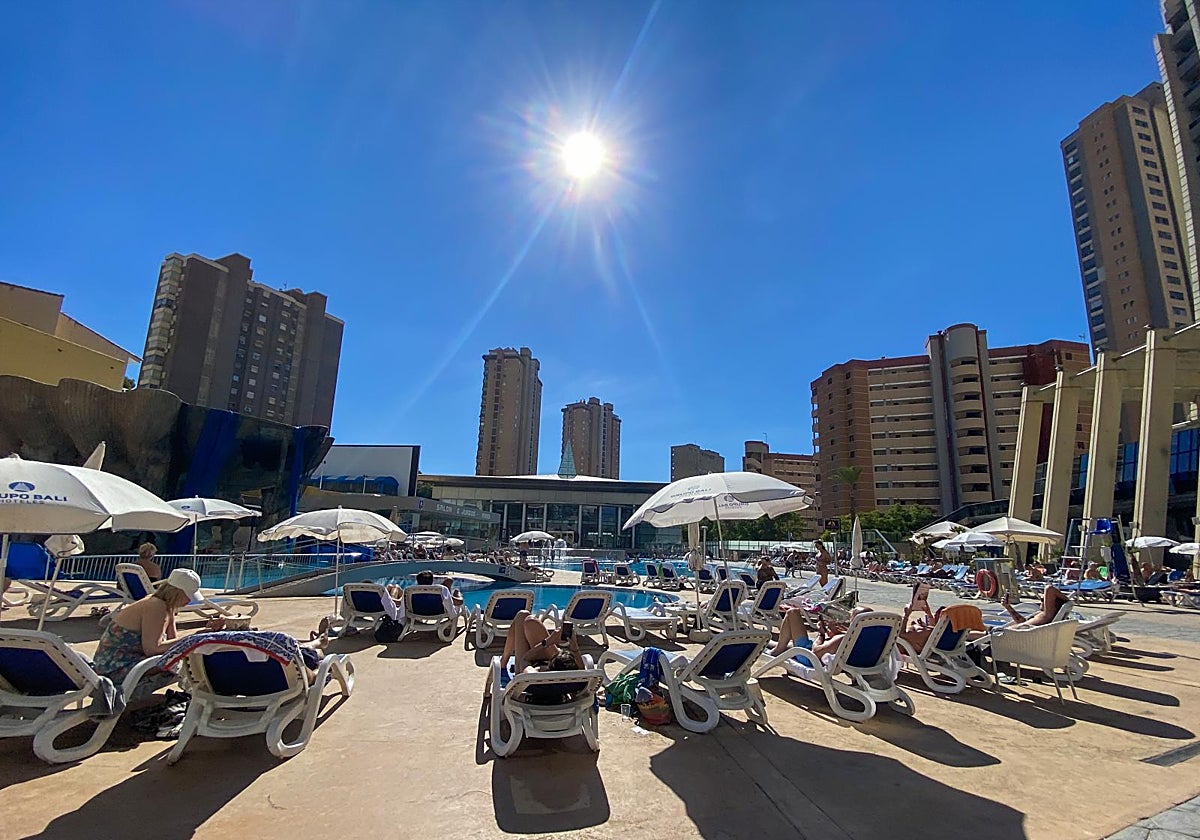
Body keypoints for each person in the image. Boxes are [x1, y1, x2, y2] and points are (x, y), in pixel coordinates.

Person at [91, 568, 222, 699]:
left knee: (187, 662)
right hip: (114, 669)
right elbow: (153, 649)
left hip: (116, 663)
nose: (189, 601)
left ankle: (195, 698)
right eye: (188, 596)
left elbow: (174, 643)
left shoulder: (166, 606)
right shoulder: (156, 606)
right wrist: (194, 637)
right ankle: (204, 699)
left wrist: (204, 632)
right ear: (176, 592)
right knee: (186, 667)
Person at [498, 610, 586, 702]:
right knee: (528, 619)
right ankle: (503, 662)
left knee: (522, 616)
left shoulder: (531, 676)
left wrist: (547, 642)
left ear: (550, 665)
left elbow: (525, 659)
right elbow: (582, 672)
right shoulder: (578, 681)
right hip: (553, 676)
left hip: (525, 673)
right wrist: (574, 647)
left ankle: (503, 663)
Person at [998, 585, 1070, 630]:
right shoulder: (1041, 616)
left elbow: (1049, 588)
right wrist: (1008, 607)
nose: (1041, 601)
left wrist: (1068, 602)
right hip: (1007, 636)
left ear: (1053, 605)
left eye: (1044, 599)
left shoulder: (1047, 616)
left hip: (1005, 639)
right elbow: (1023, 622)